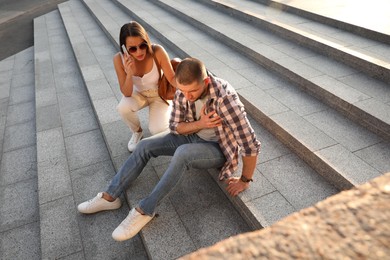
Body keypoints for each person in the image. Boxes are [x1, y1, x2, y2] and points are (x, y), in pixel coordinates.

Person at [77, 58, 261, 241]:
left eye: (193, 91)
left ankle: (145, 209)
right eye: (183, 91)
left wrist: (245, 180)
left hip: (218, 147)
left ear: (205, 82)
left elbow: (249, 143)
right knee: (144, 145)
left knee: (182, 154)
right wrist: (201, 123)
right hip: (192, 134)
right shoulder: (183, 91)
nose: (187, 96)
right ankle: (110, 196)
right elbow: (174, 126)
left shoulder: (225, 99)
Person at [113, 21, 176, 152]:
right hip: (138, 94)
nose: (139, 51)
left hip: (159, 94)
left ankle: (170, 110)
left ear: (147, 40)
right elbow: (127, 93)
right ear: (124, 48)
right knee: (123, 108)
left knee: (157, 130)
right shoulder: (119, 59)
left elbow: (172, 79)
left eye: (142, 45)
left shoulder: (157, 51)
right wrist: (129, 73)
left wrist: (194, 86)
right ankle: (137, 132)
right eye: (132, 49)